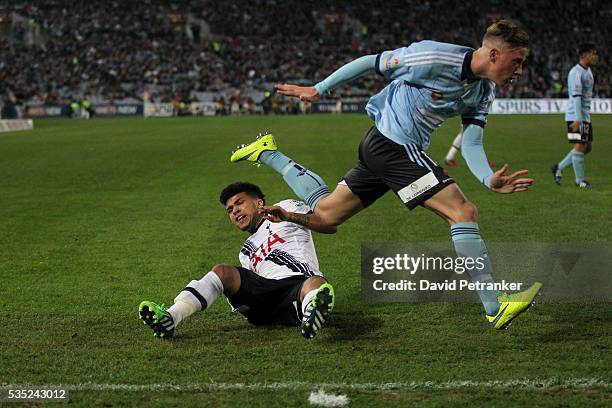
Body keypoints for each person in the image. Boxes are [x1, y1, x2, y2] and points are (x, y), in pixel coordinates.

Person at [231, 20, 541, 330]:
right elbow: (371, 62)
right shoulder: (433, 58)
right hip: (391, 145)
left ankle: (267, 153)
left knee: (326, 215)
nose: (520, 71)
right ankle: (494, 305)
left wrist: (488, 178)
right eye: (517, 61)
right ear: (494, 54)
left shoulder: (483, 90)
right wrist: (318, 89)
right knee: (462, 211)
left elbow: (471, 142)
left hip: (388, 152)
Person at [139, 182, 336, 339]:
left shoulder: (286, 207)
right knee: (223, 272)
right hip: (265, 299)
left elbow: (328, 224)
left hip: (297, 285)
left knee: (316, 282)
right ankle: (171, 318)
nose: (234, 211)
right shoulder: (246, 250)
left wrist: (289, 216)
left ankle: (312, 312)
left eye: (239, 203)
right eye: (229, 209)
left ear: (259, 203)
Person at [551, 43, 598, 189]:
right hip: (576, 115)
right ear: (584, 55)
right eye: (593, 53)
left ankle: (559, 167)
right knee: (580, 146)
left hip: (585, 116)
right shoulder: (576, 72)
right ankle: (580, 181)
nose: (595, 56)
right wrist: (578, 118)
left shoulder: (588, 71)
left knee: (587, 148)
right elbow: (576, 97)